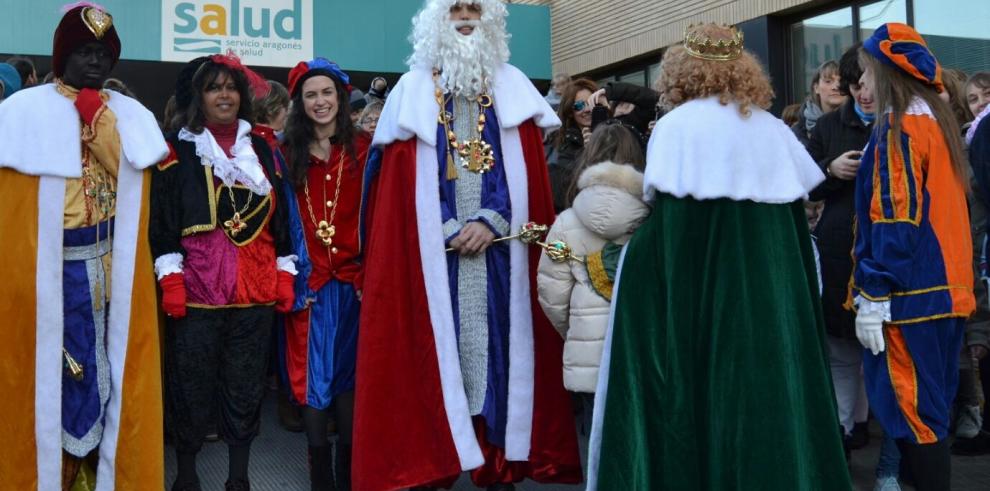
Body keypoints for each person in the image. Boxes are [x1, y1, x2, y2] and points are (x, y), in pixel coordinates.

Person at [587, 23, 850, 490]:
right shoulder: (773, 131)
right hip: (771, 309)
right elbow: (794, 237)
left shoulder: (675, 129)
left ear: (679, 72)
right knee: (774, 401)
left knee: (696, 399)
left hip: (697, 306)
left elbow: (667, 233)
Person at [356, 1, 582, 490]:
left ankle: (497, 463)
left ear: (491, 20)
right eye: (455, 8)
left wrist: (488, 219)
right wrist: (448, 225)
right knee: (432, 357)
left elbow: (522, 175)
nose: (465, 17)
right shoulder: (412, 92)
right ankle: (435, 462)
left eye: (474, 8)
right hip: (433, 259)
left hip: (501, 254)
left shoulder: (512, 88)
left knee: (503, 356)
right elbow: (401, 187)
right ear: (436, 20)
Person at [0, 4, 168, 489]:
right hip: (47, 273)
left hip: (111, 269)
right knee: (50, 376)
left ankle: (98, 473)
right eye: (83, 51)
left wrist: (98, 121)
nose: (94, 61)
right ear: (62, 55)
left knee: (108, 376)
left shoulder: (126, 114)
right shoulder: (22, 113)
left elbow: (135, 172)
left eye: (102, 53)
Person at [151, 53, 296, 491]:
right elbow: (163, 218)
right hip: (196, 292)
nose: (225, 95)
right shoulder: (177, 149)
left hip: (255, 294)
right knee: (190, 386)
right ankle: (189, 476)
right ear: (199, 96)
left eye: (231, 87)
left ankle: (238, 478)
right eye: (214, 87)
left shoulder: (265, 150)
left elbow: (282, 218)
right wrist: (170, 278)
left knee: (246, 387)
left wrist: (284, 271)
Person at [851, 24, 975, 491]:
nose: (861, 84)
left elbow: (895, 217)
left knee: (915, 417)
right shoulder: (936, 122)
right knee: (931, 417)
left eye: (865, 72)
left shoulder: (899, 126)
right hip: (944, 292)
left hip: (911, 296)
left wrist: (876, 289)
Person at [280, 57, 370, 491]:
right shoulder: (284, 156)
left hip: (355, 286)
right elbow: (279, 226)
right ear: (300, 101)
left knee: (351, 378)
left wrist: (372, 276)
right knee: (313, 380)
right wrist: (295, 281)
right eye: (311, 94)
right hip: (310, 287)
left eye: (327, 93)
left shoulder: (367, 151)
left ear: (341, 97)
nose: (320, 101)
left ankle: (349, 472)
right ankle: (321, 477)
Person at [536, 122, 649, 433]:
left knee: (597, 448)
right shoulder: (654, 219)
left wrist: (576, 333)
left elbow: (551, 295)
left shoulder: (566, 222)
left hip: (586, 358)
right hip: (643, 351)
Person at [806, 42, 875, 457]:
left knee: (878, 350)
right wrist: (832, 171)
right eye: (853, 85)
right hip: (838, 247)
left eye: (865, 84)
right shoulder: (829, 127)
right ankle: (843, 433)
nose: (861, 93)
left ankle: (868, 426)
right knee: (842, 345)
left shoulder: (900, 120)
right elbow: (806, 182)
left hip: (885, 247)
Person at [546, 78, 597, 211]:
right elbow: (564, 191)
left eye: (591, 103)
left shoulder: (616, 133)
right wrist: (587, 154)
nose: (586, 109)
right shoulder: (562, 144)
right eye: (579, 106)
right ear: (570, 112)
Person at [793, 60, 846, 147]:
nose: (836, 87)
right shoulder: (796, 133)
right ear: (816, 88)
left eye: (841, 81)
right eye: (828, 81)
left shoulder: (861, 125)